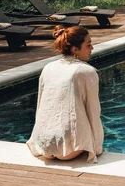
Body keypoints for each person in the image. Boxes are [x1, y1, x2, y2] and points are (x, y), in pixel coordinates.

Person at [26, 25, 104, 162]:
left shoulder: (48, 67)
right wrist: (96, 148)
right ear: (74, 49)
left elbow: (41, 105)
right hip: (69, 148)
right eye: (88, 45)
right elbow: (93, 112)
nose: (92, 48)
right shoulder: (86, 72)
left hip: (43, 143)